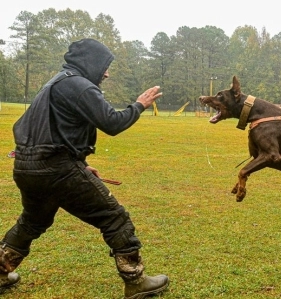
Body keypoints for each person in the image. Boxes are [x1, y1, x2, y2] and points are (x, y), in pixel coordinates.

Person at [0, 38, 169, 298]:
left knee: (32, 222)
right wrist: (139, 105)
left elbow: (49, 130)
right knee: (114, 217)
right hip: (57, 169)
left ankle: (0, 273)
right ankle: (136, 281)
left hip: (26, 166)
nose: (107, 72)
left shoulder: (54, 83)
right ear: (91, 62)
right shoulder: (80, 86)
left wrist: (81, 164)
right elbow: (111, 123)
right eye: (105, 66)